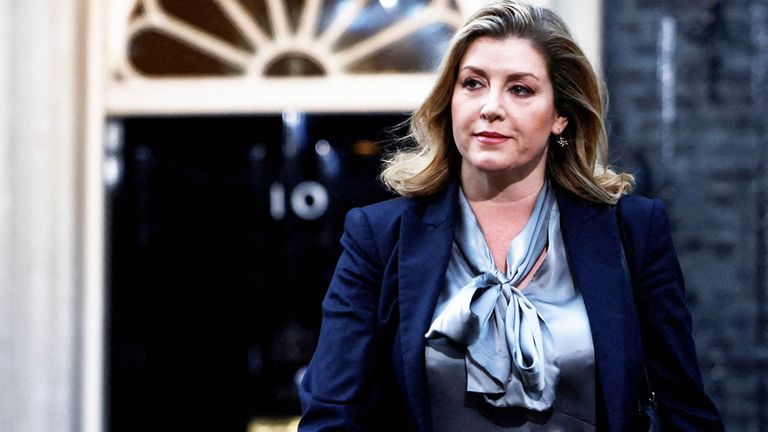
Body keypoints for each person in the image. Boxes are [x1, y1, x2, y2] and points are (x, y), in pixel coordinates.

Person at [298, 1, 725, 430]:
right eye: (473, 84)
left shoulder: (632, 231)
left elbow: (686, 413)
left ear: (560, 115)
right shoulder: (379, 235)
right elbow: (333, 413)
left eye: (520, 89)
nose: (490, 107)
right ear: (450, 100)